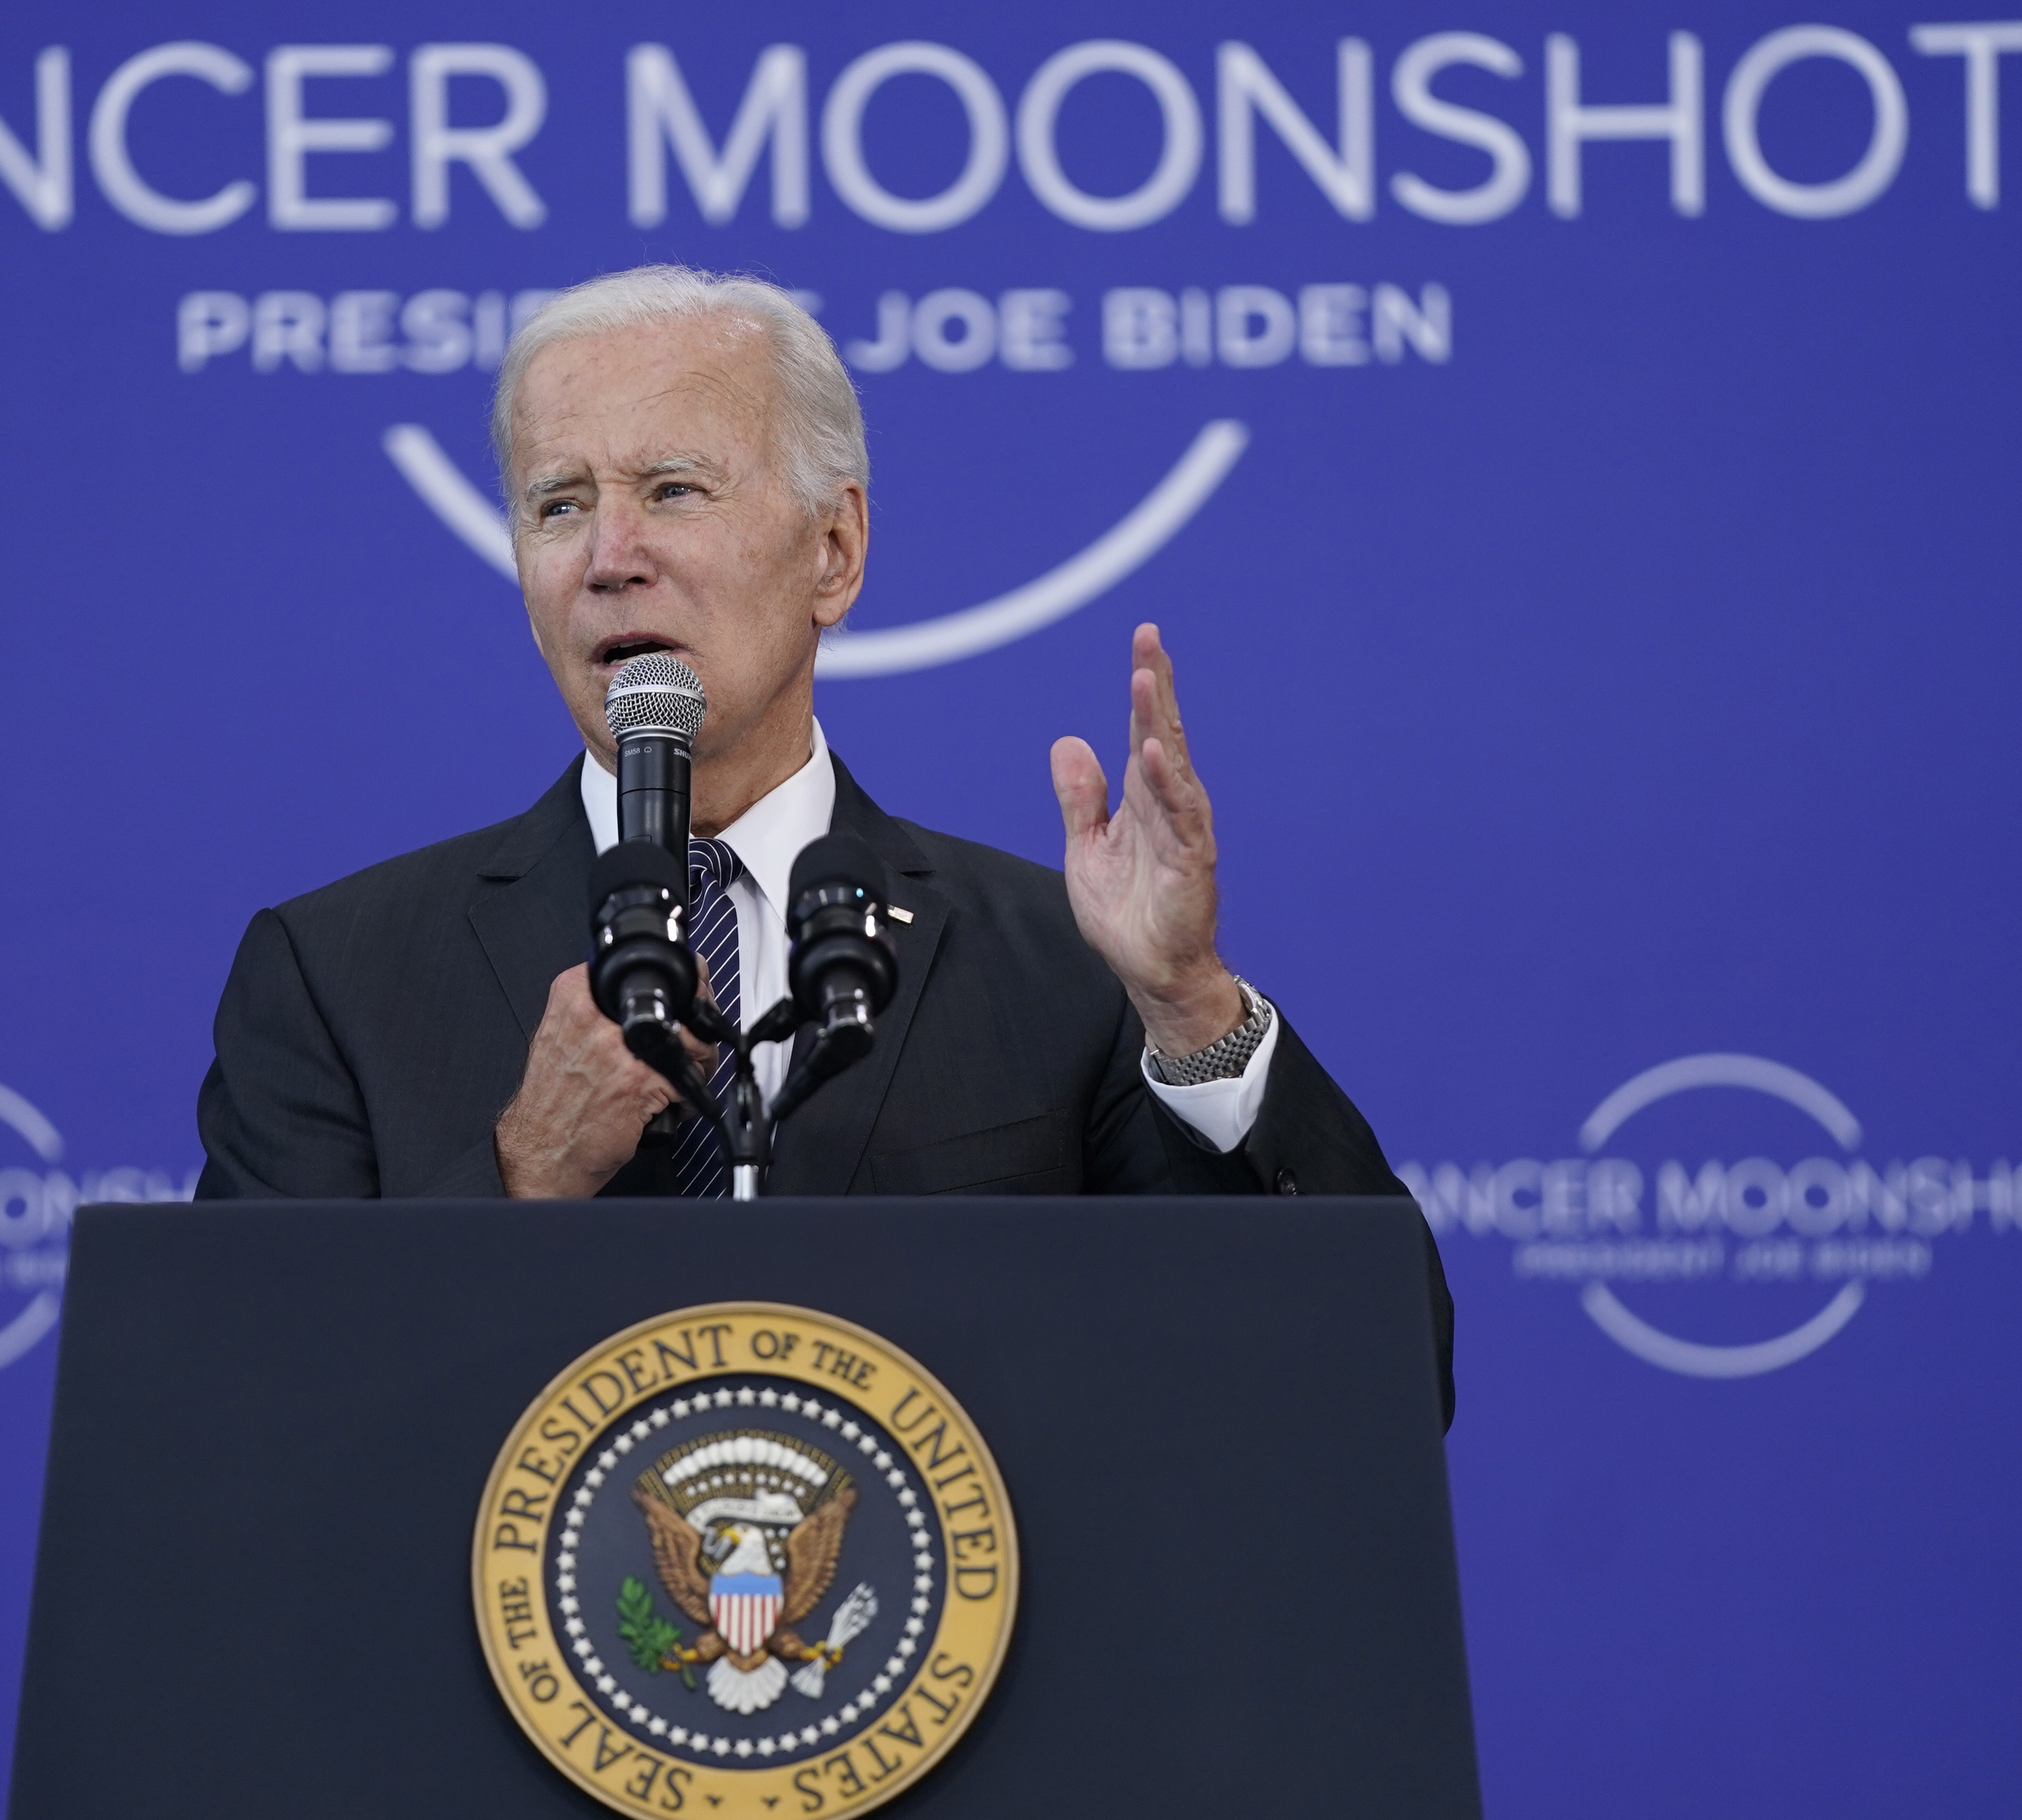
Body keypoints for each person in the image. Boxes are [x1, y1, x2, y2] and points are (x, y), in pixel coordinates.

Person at [193, 265, 1444, 1406]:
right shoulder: (335, 976)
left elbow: (1373, 1377)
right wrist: (517, 1182)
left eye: (671, 489)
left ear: (833, 551)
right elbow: (238, 1437)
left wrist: (1185, 1008)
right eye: (557, 504)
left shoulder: (1062, 964)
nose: (608, 558)